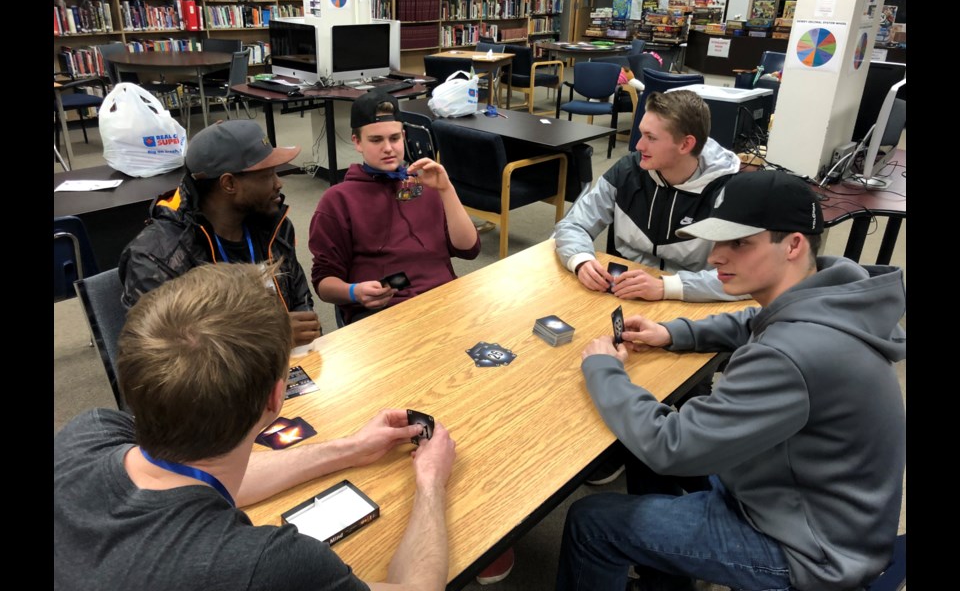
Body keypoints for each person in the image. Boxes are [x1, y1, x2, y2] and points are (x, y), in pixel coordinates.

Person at [556, 171, 906, 591]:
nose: (716, 257)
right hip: (812, 499)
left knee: (592, 522)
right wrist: (673, 333)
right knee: (641, 453)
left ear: (793, 244)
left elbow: (674, 446)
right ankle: (664, 579)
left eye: (739, 243)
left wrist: (603, 369)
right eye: (718, 241)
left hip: (809, 550)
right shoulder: (831, 294)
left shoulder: (792, 354)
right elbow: (755, 321)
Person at [54, 262, 457, 591]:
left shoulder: (86, 433)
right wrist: (430, 481)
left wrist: (350, 447)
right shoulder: (266, 566)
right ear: (275, 398)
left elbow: (202, 473)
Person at [118, 119, 321, 347]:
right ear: (229, 184)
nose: (278, 183)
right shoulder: (156, 257)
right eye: (267, 175)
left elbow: (300, 299)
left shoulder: (273, 225)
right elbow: (162, 356)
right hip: (217, 379)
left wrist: (305, 327)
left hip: (286, 366)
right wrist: (268, 338)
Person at [554, 88, 745, 304]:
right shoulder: (627, 171)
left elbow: (750, 276)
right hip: (622, 294)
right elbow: (574, 224)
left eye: (651, 138)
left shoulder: (729, 192)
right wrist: (580, 260)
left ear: (685, 144)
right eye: (641, 133)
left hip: (688, 302)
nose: (638, 145)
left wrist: (668, 287)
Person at [309, 90, 480, 326]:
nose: (388, 148)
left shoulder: (427, 182)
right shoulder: (338, 200)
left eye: (394, 138)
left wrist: (446, 189)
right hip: (386, 313)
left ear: (403, 136)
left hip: (443, 299)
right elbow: (323, 283)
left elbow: (469, 249)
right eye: (376, 140)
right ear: (357, 142)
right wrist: (353, 292)